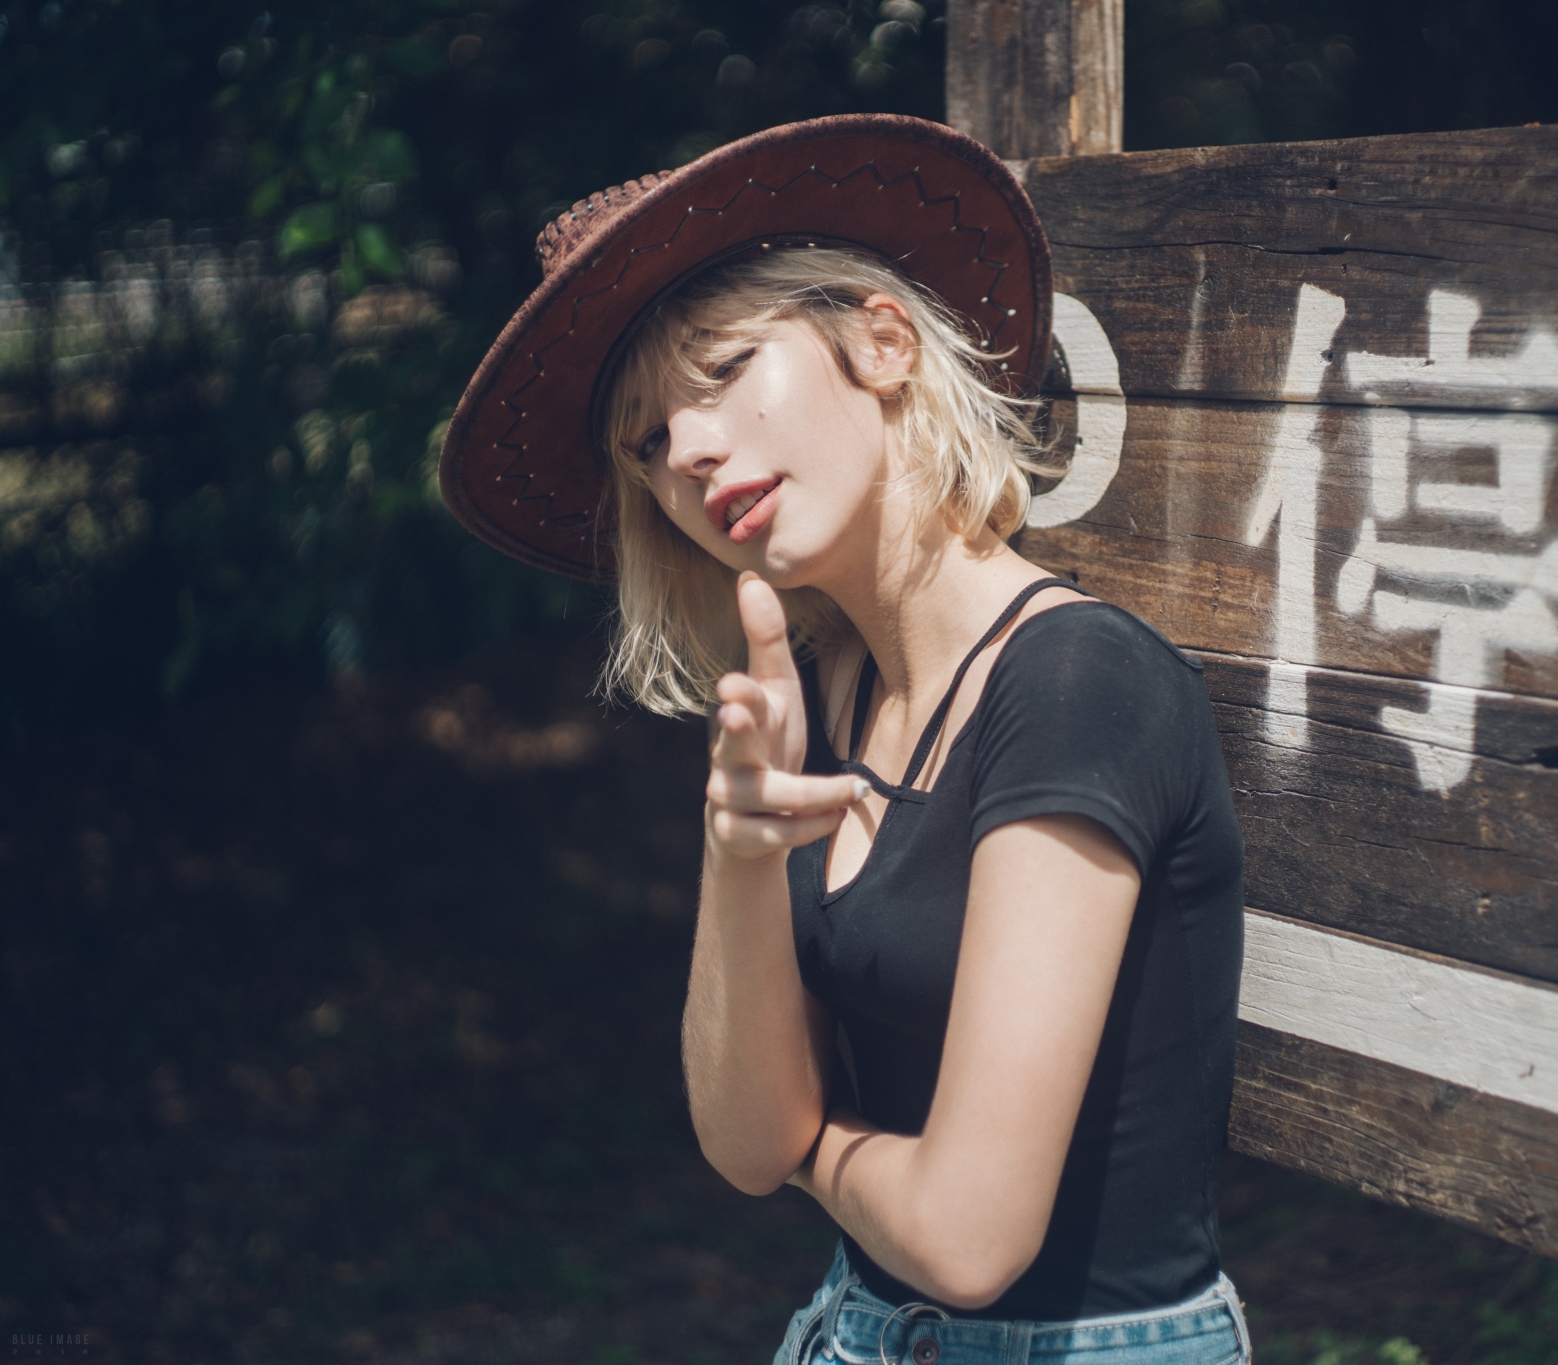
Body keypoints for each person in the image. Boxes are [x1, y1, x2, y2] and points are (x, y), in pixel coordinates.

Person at [439, 115, 1247, 1365]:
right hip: (855, 1328)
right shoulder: (810, 692)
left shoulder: (1079, 685)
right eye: (646, 442)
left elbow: (962, 1235)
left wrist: (819, 1150)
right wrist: (738, 846)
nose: (688, 452)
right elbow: (736, 1135)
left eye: (719, 372)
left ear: (881, 343)